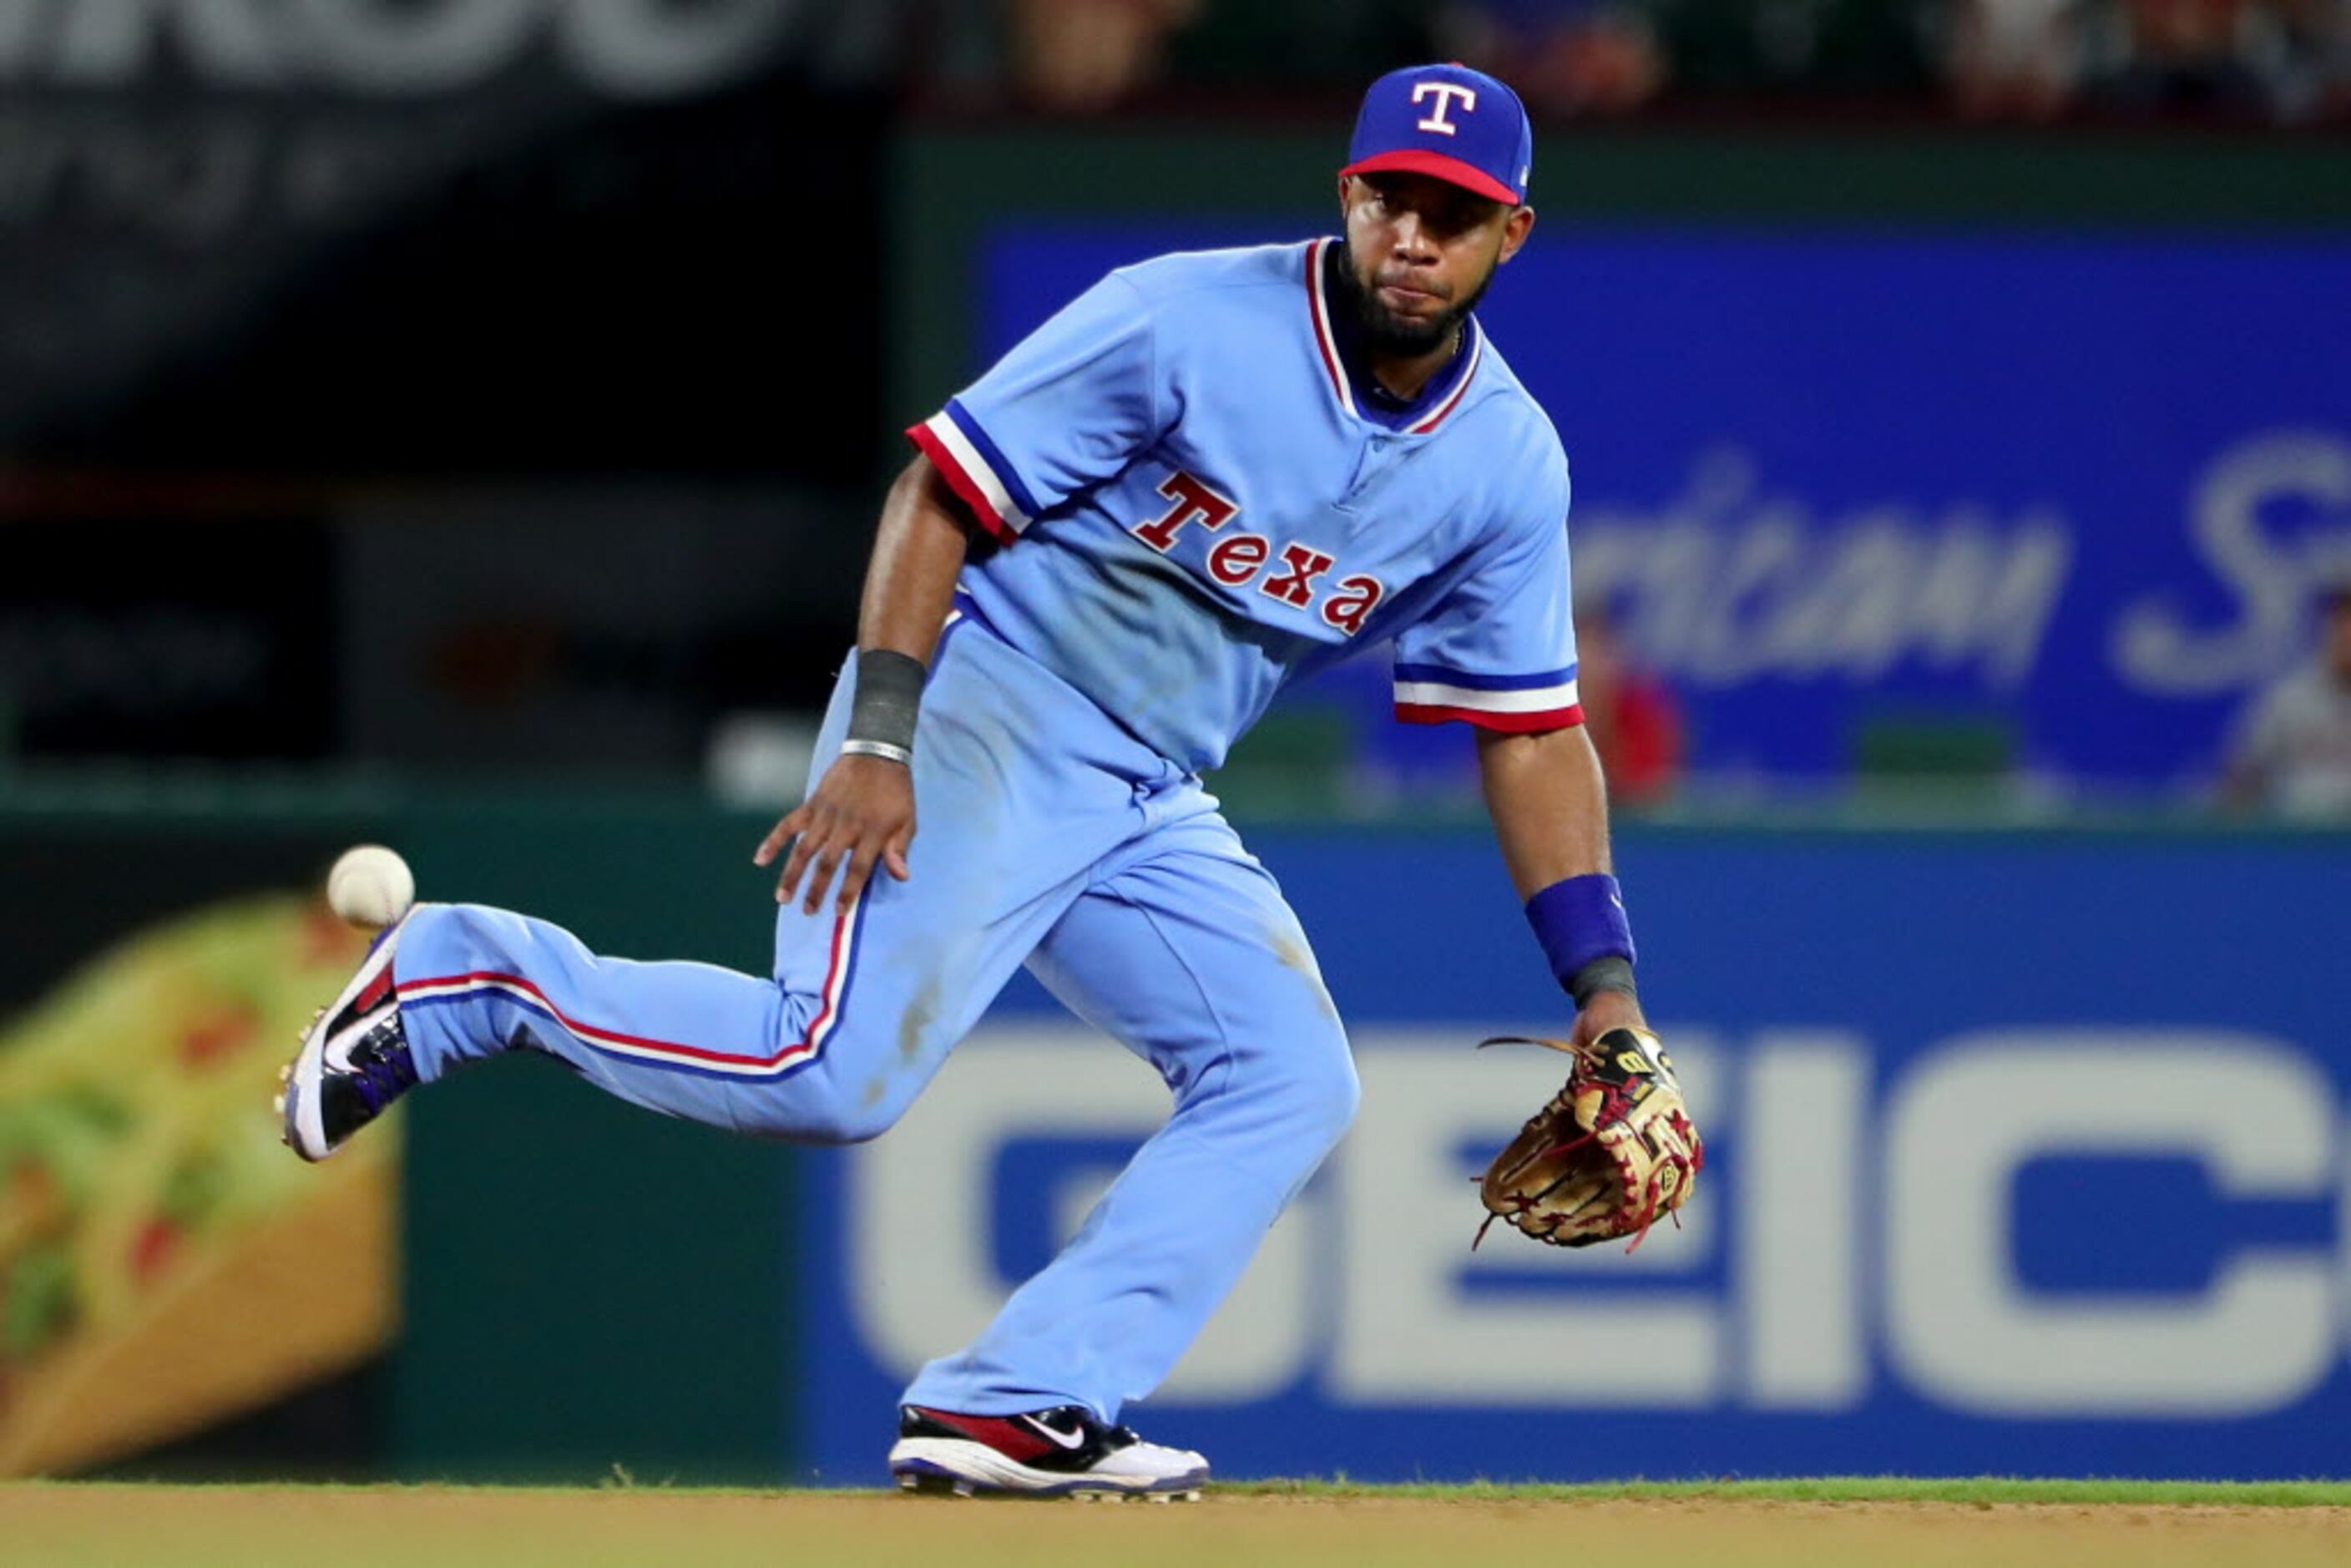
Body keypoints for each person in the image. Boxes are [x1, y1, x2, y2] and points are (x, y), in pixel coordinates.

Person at [278, 63, 1657, 1499]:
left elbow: (1531, 727)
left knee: (1288, 1075)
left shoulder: (1503, 463)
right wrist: (881, 734)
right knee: (829, 1068)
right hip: (987, 701)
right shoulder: (1183, 318)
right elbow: (939, 490)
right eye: (1393, 199)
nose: (1415, 238)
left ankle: (1022, 1397)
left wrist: (1601, 983)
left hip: (1148, 785)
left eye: (1455, 212)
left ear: (1513, 235)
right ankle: (466, 976)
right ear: (1347, 195)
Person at [2222, 576, 2351, 817]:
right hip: (2297, 840)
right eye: (2342, 618)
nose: (2347, 631)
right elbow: (2243, 774)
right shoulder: (2290, 699)